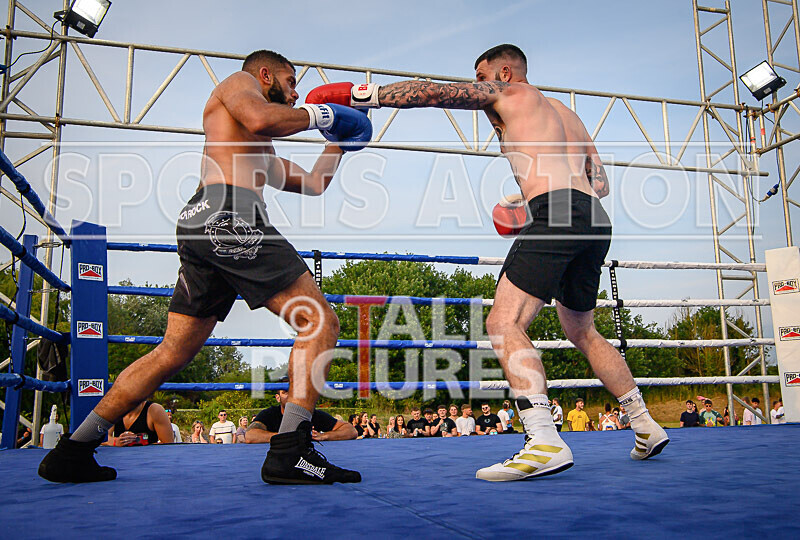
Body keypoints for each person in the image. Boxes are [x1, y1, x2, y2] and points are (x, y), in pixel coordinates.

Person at [305, 43, 667, 481]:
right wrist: (522, 201)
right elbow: (600, 183)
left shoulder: (507, 93)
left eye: (483, 76)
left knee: (502, 323)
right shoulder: (566, 115)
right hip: (593, 217)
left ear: (506, 72)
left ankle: (543, 440)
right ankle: (645, 424)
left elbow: (433, 94)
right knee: (582, 329)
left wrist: (363, 95)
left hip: (558, 212)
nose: (479, 86)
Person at [38, 49, 371, 484]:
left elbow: (312, 182)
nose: (295, 93)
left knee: (171, 352)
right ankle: (291, 450)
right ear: (265, 73)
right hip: (228, 216)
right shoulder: (239, 84)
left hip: (206, 223)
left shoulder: (256, 146)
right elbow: (261, 117)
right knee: (319, 321)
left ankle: (73, 449)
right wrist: (324, 113)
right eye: (290, 82)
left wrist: (338, 141)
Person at [246, 386, 357, 443]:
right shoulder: (269, 414)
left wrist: (324, 436)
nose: (291, 395)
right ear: (277, 397)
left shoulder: (312, 413)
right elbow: (250, 436)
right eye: (285, 392)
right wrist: (286, 438)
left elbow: (351, 430)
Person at [104, 400, 173, 446]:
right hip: (121, 459)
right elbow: (102, 438)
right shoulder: (114, 409)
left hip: (148, 460)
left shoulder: (155, 410)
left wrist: (139, 442)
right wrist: (117, 441)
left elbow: (168, 444)